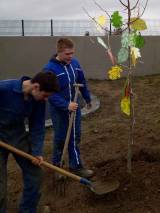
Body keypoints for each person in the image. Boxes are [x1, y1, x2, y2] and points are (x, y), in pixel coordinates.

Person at [0, 71, 59, 212]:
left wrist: (37, 152)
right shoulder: (3, 89)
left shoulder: (37, 101)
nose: (46, 100)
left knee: (35, 175)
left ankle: (27, 210)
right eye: (45, 96)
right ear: (36, 87)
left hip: (17, 136)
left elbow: (37, 126)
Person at [43, 38, 94, 178]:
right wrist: (66, 105)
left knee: (75, 136)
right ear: (59, 52)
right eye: (67, 54)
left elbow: (81, 81)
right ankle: (57, 168)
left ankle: (76, 165)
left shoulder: (75, 64)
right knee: (61, 138)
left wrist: (87, 98)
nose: (70, 56)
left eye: (72, 53)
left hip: (75, 108)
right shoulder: (50, 69)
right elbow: (49, 93)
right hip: (59, 111)